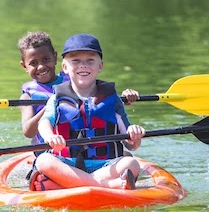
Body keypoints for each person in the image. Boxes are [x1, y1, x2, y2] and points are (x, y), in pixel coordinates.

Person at [30, 33, 145, 191]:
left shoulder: (112, 99)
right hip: (67, 162)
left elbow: (131, 146)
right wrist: (50, 136)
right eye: (75, 61)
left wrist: (135, 136)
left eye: (90, 60)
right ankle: (111, 185)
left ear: (100, 66)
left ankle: (60, 184)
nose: (83, 65)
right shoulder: (57, 97)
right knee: (43, 160)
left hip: (106, 164)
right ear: (64, 67)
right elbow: (44, 123)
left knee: (130, 162)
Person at [17, 31, 69, 145]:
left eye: (46, 59)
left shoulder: (73, 82)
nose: (41, 67)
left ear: (55, 58)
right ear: (24, 66)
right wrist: (51, 106)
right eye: (33, 63)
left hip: (74, 147)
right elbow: (28, 132)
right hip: (47, 150)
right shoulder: (27, 97)